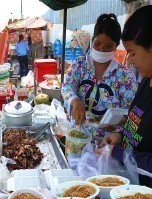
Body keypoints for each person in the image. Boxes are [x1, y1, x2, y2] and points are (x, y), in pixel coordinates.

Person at [61, 13, 137, 141]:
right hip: (77, 136)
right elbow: (67, 86)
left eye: (108, 46)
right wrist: (75, 101)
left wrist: (117, 123)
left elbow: (131, 113)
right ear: (92, 41)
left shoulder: (125, 76)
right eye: (97, 44)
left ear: (116, 46)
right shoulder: (80, 64)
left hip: (106, 144)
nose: (102, 50)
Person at [101, 5, 152, 186]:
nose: (129, 60)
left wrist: (119, 153)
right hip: (130, 187)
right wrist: (120, 136)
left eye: (132, 53)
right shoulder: (146, 81)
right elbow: (135, 123)